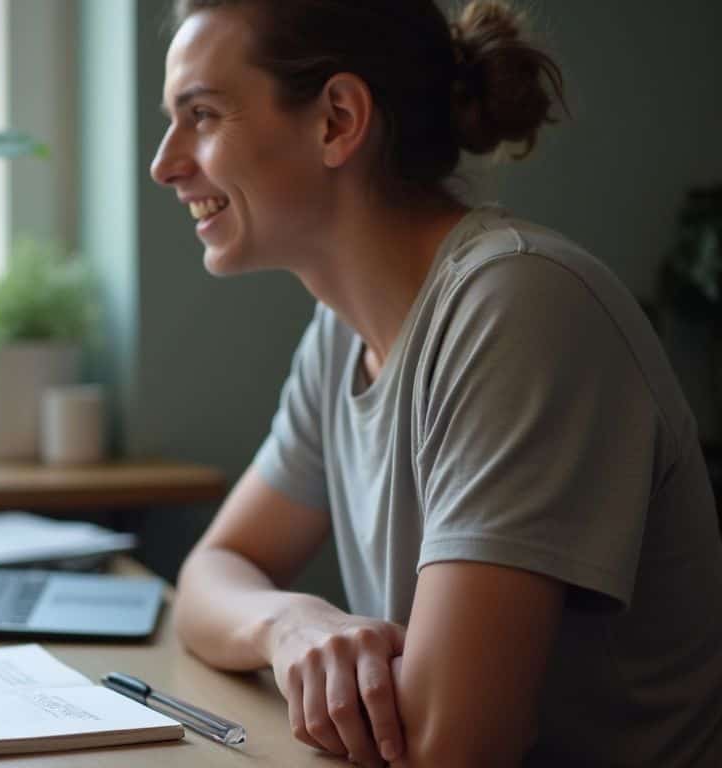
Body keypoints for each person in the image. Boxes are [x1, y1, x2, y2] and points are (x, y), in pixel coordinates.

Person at [152, 1, 722, 766]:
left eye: (203, 115)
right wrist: (290, 624)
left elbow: (453, 745)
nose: (166, 162)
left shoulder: (519, 307)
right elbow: (208, 577)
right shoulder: (341, 335)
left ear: (337, 120)